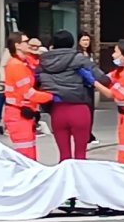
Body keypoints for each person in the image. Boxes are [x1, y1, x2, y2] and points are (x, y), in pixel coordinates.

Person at [36, 30, 109, 161]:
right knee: (80, 156)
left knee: (64, 157)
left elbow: (36, 82)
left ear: (53, 44)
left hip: (57, 111)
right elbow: (103, 79)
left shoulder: (43, 62)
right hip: (79, 109)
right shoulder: (79, 59)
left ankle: (65, 180)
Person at [2, 31, 53, 159]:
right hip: (19, 114)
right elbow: (28, 93)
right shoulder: (16, 65)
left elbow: (36, 63)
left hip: (24, 113)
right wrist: (51, 96)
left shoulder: (23, 62)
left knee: (29, 151)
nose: (29, 43)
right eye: (25, 41)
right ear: (17, 45)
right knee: (25, 154)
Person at [78, 31, 100, 148]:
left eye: (87, 40)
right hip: (83, 86)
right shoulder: (79, 55)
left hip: (91, 85)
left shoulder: (89, 54)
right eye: (83, 40)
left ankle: (88, 133)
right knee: (86, 110)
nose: (86, 43)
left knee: (91, 110)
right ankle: (86, 134)